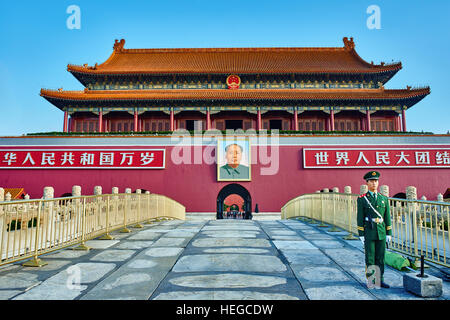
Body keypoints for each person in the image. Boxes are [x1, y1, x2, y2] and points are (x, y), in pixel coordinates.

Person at [357, 171, 392, 289]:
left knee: (381, 257)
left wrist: (389, 232)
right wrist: (361, 234)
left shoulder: (384, 199)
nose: (374, 183)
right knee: (370, 257)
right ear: (367, 183)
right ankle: (372, 280)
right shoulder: (362, 199)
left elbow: (387, 217)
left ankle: (380, 279)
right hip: (369, 231)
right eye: (371, 181)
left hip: (381, 231)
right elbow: (360, 217)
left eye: (376, 181)